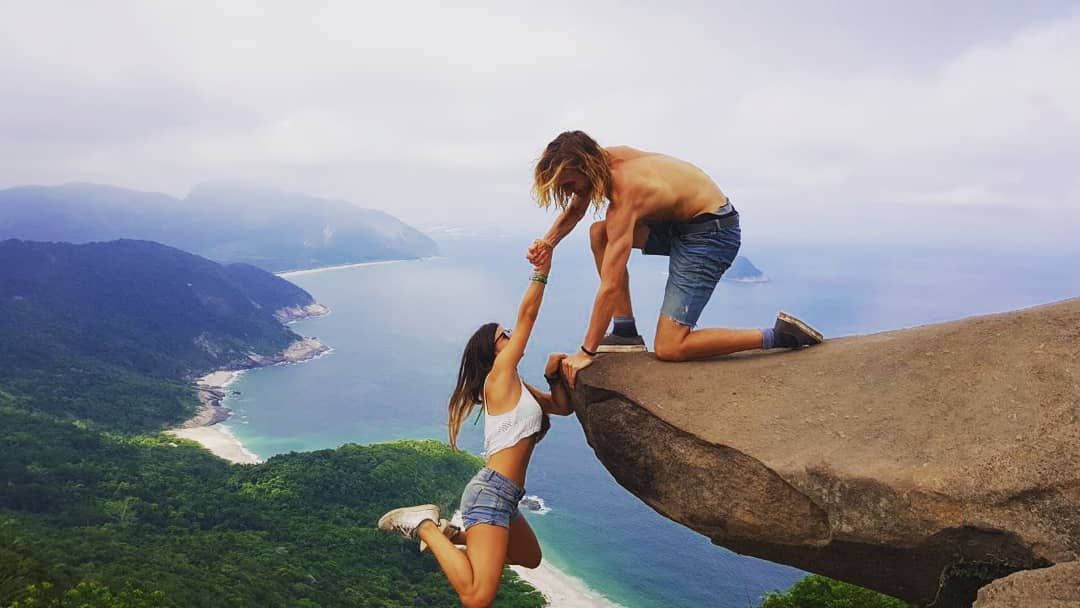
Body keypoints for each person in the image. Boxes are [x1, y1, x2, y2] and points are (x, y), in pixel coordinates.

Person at [527, 130, 823, 387]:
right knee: (598, 233)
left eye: (568, 184)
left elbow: (611, 282)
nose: (568, 193)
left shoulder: (628, 192)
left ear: (585, 167)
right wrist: (548, 242)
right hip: (683, 225)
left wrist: (586, 352)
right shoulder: (607, 160)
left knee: (670, 346)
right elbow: (578, 208)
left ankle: (779, 335)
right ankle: (625, 332)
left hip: (712, 236)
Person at [377, 253, 573, 608]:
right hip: (490, 494)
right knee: (477, 598)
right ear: (492, 351)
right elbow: (527, 316)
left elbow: (562, 407)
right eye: (503, 337)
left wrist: (553, 374)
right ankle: (424, 525)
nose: (510, 338)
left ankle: (455, 534)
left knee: (530, 557)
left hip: (505, 496)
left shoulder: (520, 389)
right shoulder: (497, 378)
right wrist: (541, 272)